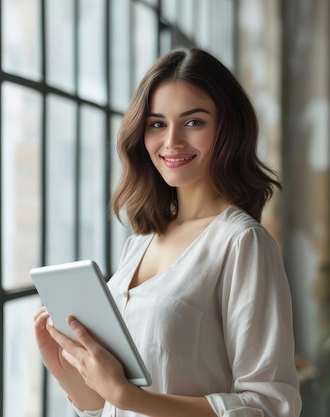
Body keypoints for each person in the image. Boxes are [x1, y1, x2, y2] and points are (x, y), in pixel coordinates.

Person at [34, 47, 302, 417]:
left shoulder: (242, 244)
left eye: (194, 122)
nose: (172, 141)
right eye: (157, 123)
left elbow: (270, 406)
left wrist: (131, 397)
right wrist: (67, 371)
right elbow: (107, 404)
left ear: (228, 128)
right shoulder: (138, 244)